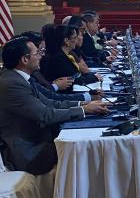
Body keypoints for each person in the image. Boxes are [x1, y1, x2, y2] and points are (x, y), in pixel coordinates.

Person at [0, 37, 109, 175]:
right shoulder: (12, 83)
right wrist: (83, 110)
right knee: (88, 149)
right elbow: (45, 115)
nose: (40, 56)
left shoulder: (19, 77)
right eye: (37, 53)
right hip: (30, 151)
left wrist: (83, 104)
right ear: (25, 59)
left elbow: (51, 103)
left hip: (41, 139)